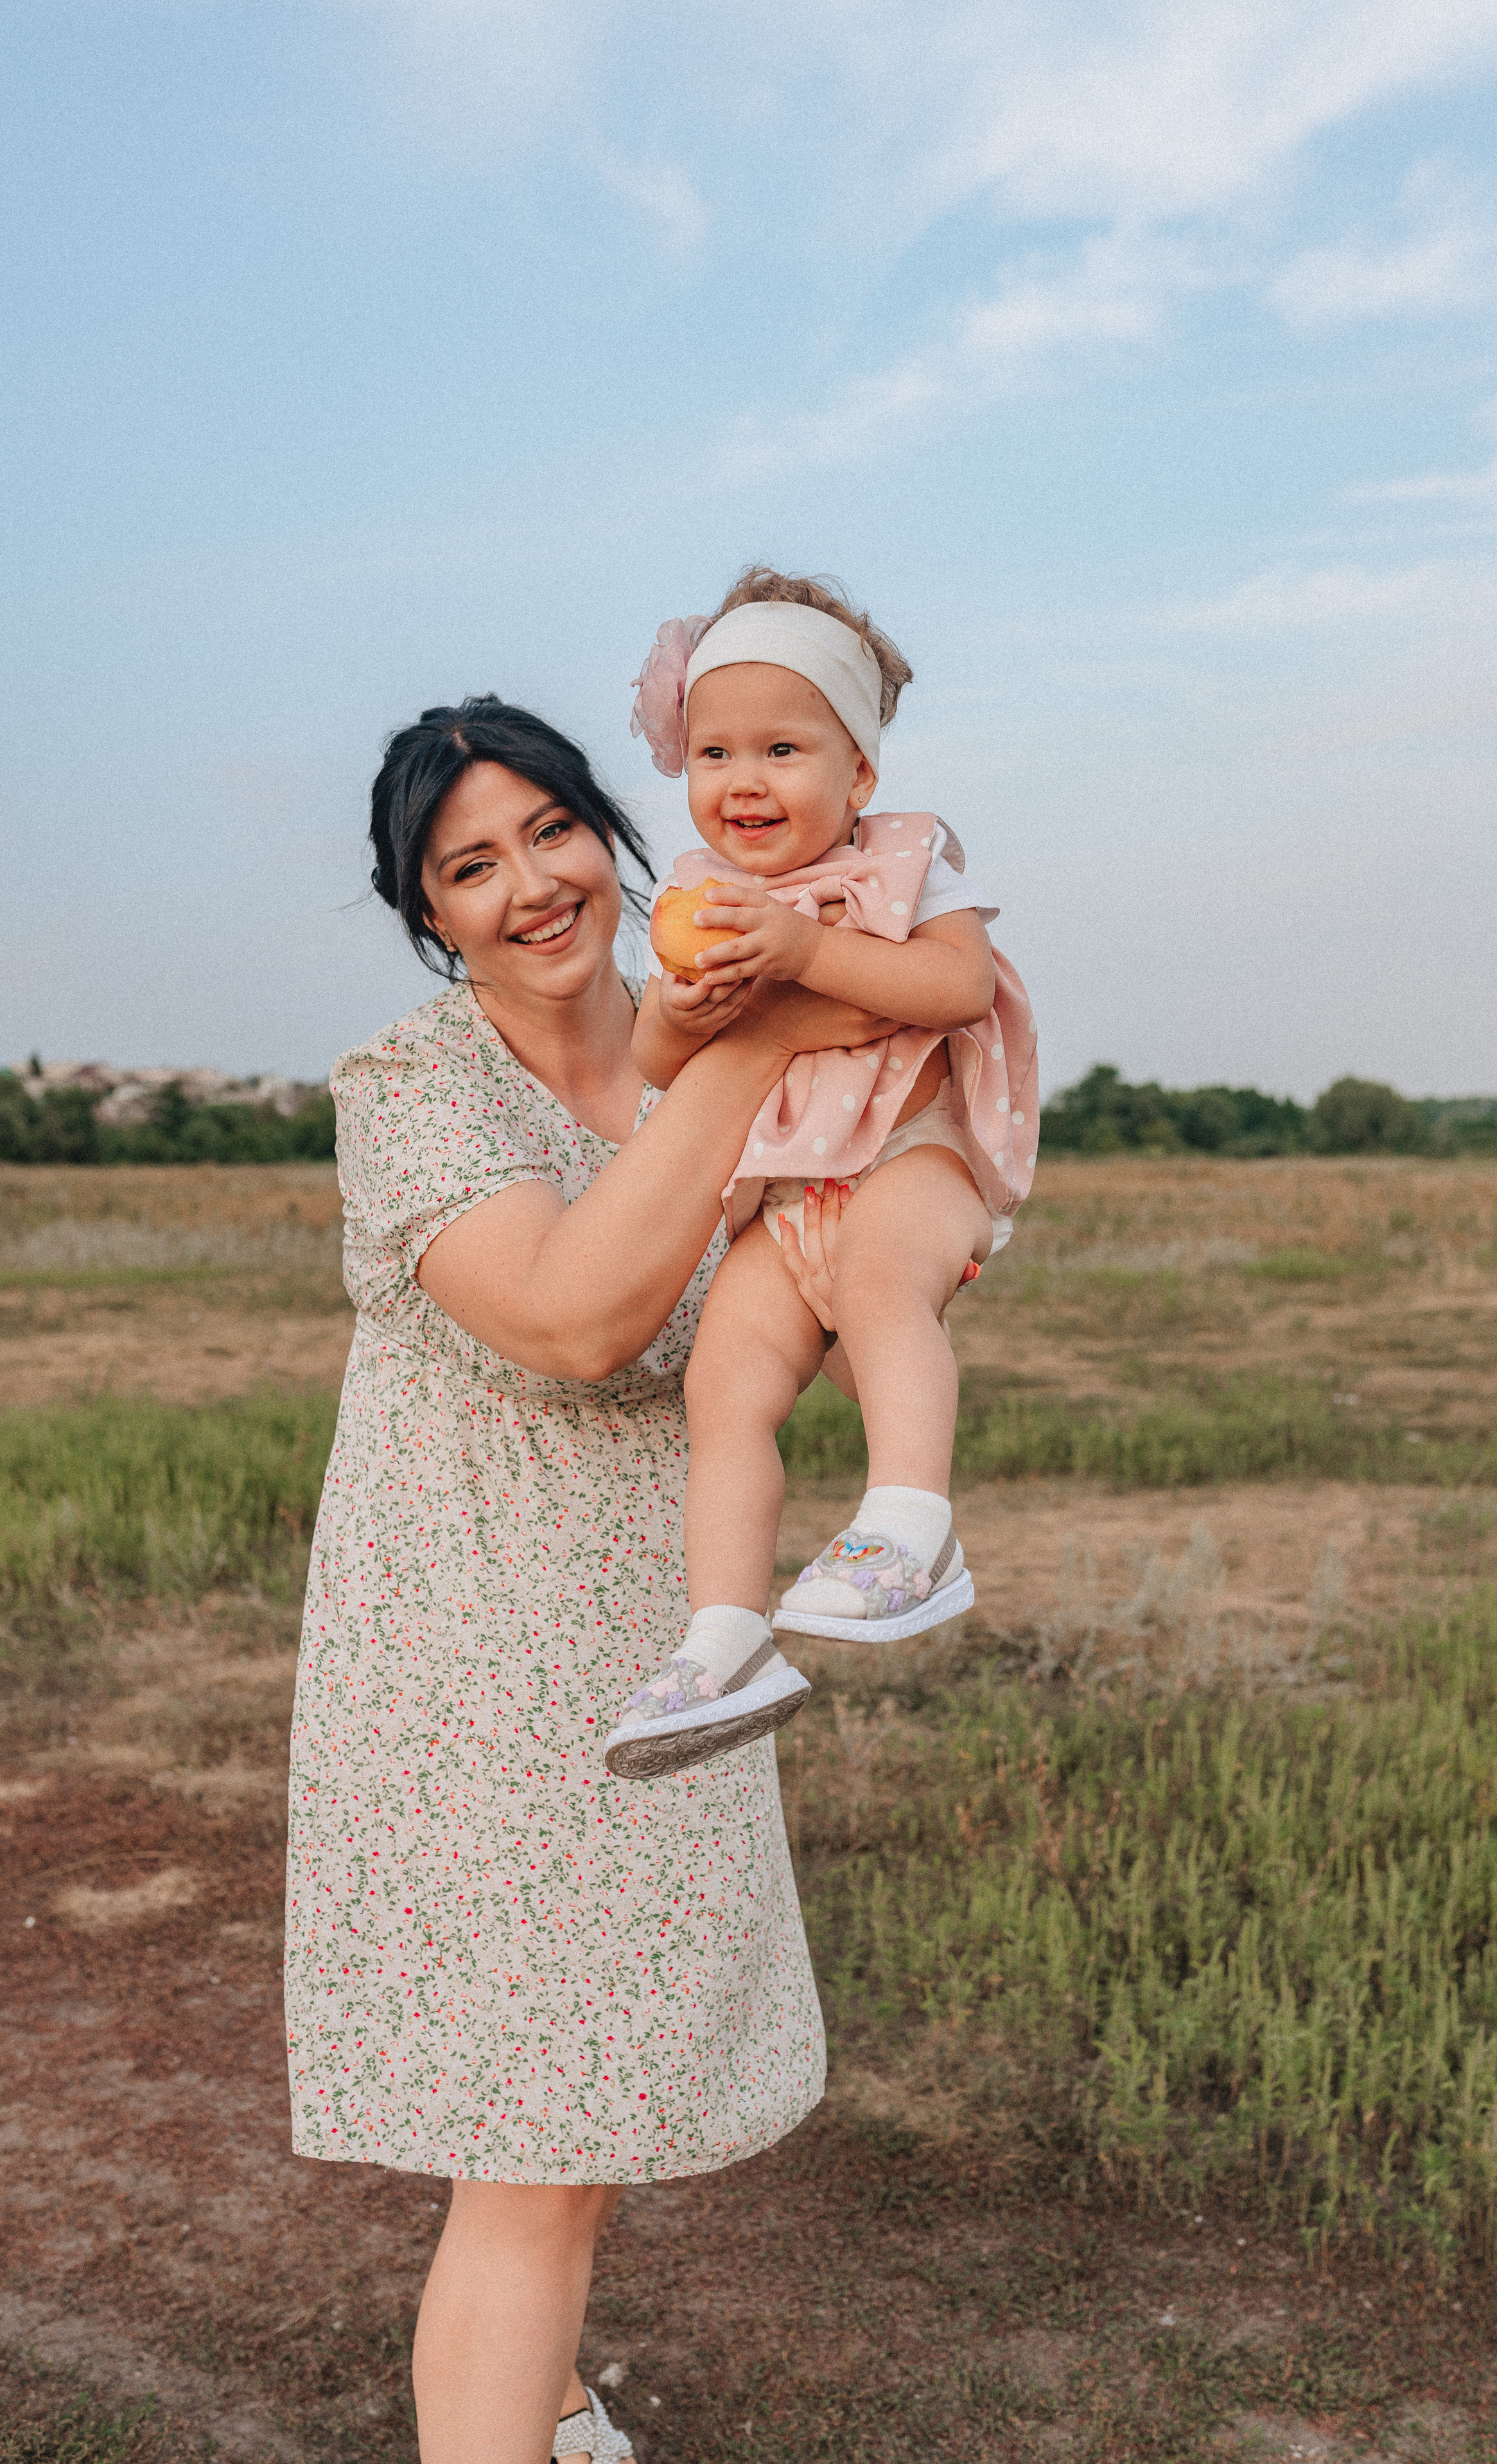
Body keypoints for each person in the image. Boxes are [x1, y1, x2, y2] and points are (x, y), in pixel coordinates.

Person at [283, 696, 888, 2464]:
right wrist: (751, 1057)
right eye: (470, 864)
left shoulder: (704, 1025)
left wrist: (887, 1249)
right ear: (427, 909)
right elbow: (571, 1316)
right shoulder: (411, 1088)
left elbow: (784, 1323)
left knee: (583, 2102)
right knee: (535, 2158)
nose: (531, 882)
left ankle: (540, 2403)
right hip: (473, 1672)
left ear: (608, 832)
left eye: (550, 829)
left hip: (667, 1645)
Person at [601, 570, 1038, 1782]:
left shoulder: (906, 860)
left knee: (884, 1286)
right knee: (723, 1387)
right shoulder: (698, 895)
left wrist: (804, 946)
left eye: (782, 749)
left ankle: (911, 1525)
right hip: (786, 1202)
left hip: (911, 1153)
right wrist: (682, 1009)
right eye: (715, 752)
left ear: (859, 777)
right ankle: (725, 1638)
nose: (743, 780)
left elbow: (955, 985)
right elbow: (656, 1062)